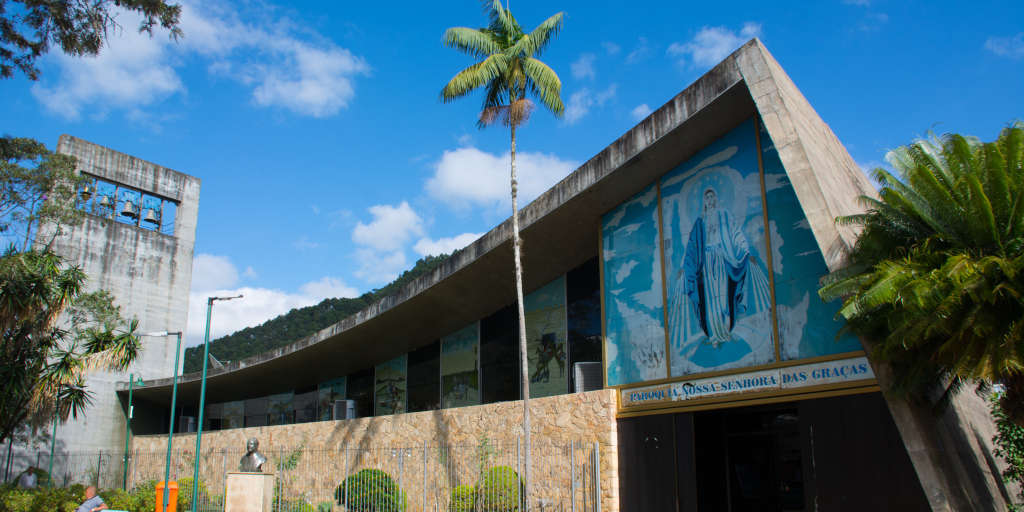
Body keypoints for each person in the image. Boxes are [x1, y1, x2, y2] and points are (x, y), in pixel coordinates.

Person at [680, 187, 770, 347]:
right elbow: (692, 247)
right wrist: (685, 267)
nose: (709, 200)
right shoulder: (700, 221)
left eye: (712, 196)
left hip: (722, 258)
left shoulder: (724, 215)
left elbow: (736, 233)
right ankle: (714, 335)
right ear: (704, 202)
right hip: (706, 263)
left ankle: (725, 330)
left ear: (716, 199)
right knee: (709, 300)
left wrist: (745, 250)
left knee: (722, 297)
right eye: (706, 197)